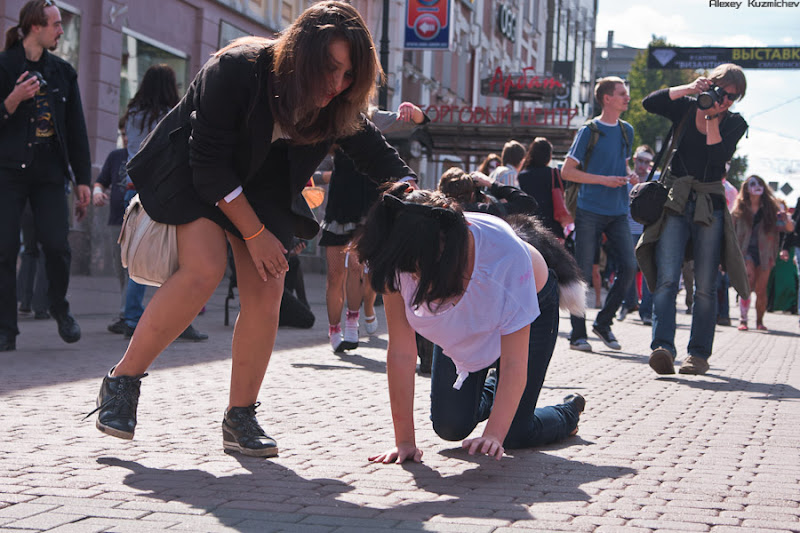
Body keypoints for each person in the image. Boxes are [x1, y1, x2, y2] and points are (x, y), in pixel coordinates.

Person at [86, 1, 416, 458]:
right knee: (204, 268)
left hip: (263, 186)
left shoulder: (337, 101)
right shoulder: (236, 69)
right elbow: (209, 164)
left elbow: (378, 156)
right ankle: (121, 383)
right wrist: (255, 236)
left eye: (348, 77)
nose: (336, 85)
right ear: (302, 52)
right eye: (330, 69)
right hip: (197, 171)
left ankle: (239, 417)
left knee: (270, 281)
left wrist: (412, 193)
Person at [355, 185, 585, 464]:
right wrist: (404, 442)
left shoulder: (504, 257)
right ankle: (490, 387)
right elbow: (402, 353)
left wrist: (493, 435)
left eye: (419, 269)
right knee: (450, 427)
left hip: (531, 300)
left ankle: (568, 411)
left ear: (443, 249)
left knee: (513, 433)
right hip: (468, 320)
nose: (413, 277)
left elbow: (514, 364)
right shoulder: (400, 254)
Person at [638, 64, 750, 375]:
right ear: (711, 84)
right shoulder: (687, 108)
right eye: (722, 92)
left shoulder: (735, 123)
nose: (725, 100)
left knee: (705, 285)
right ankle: (662, 348)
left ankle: (697, 354)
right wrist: (689, 88)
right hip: (675, 201)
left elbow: (717, 160)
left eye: (732, 97)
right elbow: (650, 103)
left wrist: (714, 116)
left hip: (709, 203)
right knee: (667, 278)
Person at [0, 0, 92, 352]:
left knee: (57, 245)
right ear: (35, 27)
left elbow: (76, 129)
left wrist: (82, 178)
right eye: (55, 24)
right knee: (4, 252)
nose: (61, 30)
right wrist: (12, 100)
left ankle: (59, 306)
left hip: (50, 173)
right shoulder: (5, 66)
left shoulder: (63, 72)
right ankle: (6, 329)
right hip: (8, 172)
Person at [321, 101, 427, 352]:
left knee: (359, 267)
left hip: (367, 202)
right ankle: (334, 328)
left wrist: (417, 113)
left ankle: (354, 319)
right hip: (339, 200)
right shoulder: (327, 113)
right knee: (335, 273)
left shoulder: (371, 117)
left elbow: (414, 123)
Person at [117, 64, 207, 342]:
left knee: (142, 253)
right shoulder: (170, 115)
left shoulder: (131, 115)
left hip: (132, 189)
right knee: (177, 260)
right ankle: (179, 320)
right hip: (164, 191)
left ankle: (130, 315)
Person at [561, 76, 637, 353]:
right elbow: (567, 171)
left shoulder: (627, 131)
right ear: (607, 98)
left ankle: (603, 323)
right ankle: (577, 334)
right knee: (580, 273)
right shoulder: (589, 130)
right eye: (621, 94)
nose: (626, 98)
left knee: (629, 267)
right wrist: (604, 180)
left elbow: (623, 166)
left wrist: (631, 177)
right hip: (589, 209)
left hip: (618, 211)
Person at [732, 175, 794, 331]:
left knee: (761, 289)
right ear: (746, 188)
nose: (757, 186)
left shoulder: (771, 209)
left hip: (766, 252)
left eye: (759, 183)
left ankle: (759, 320)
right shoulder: (739, 208)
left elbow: (788, 229)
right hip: (745, 251)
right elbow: (730, 230)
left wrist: (786, 220)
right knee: (747, 282)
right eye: (753, 184)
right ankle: (743, 319)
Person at [93, 119, 130, 334]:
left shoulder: (144, 151)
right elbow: (101, 181)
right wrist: (97, 192)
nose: (125, 137)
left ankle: (127, 314)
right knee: (120, 270)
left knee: (131, 271)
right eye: (122, 133)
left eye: (128, 133)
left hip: (137, 222)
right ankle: (127, 311)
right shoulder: (116, 156)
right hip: (116, 221)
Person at [619, 146, 654, 322]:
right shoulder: (626, 180)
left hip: (647, 230)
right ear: (634, 159)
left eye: (647, 162)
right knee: (629, 267)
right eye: (640, 160)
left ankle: (646, 311)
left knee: (648, 270)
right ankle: (629, 302)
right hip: (628, 229)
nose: (643, 165)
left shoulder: (655, 179)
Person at [517, 137, 566, 239]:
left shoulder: (522, 176)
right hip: (553, 228)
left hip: (528, 228)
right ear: (549, 156)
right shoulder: (554, 174)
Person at [437, 167, 538, 217]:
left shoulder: (435, 209)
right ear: (472, 195)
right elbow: (528, 203)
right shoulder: (480, 211)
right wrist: (490, 183)